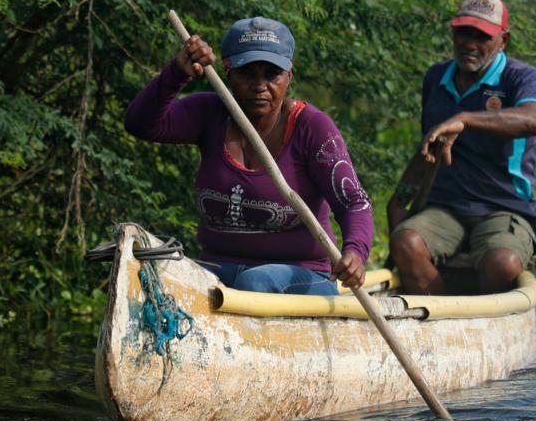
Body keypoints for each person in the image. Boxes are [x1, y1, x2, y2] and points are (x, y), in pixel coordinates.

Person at [125, 16, 373, 295]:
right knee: (154, 274)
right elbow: (139, 124)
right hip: (218, 270)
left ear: (289, 75)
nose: (259, 86)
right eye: (247, 74)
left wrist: (355, 252)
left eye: (271, 75)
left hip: (303, 275)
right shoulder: (209, 114)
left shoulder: (311, 128)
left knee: (255, 282)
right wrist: (176, 73)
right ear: (228, 73)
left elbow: (353, 202)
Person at [388, 0, 536, 295]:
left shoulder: (521, 77)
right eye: (463, 32)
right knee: (404, 243)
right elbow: (429, 147)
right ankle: (442, 315)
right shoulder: (436, 77)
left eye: (482, 36)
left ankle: (481, 317)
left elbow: (533, 119)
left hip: (504, 206)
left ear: (504, 41)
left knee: (503, 263)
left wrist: (466, 119)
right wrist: (400, 198)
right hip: (445, 206)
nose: (469, 43)